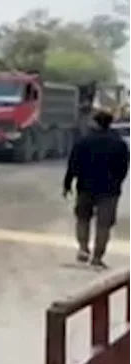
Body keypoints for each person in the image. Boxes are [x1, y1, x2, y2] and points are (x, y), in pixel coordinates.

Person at [64, 109, 130, 269]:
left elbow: (73, 164)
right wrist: (116, 183)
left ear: (94, 123)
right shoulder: (119, 144)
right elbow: (123, 168)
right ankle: (97, 257)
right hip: (109, 191)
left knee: (83, 219)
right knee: (104, 225)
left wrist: (67, 184)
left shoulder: (83, 142)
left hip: (85, 187)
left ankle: (83, 249)